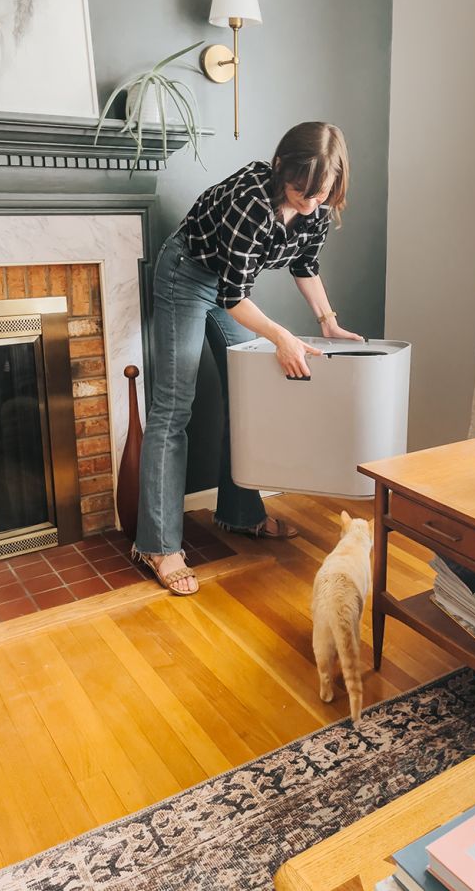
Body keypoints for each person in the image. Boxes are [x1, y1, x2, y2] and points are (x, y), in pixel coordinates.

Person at [134, 122, 361, 595]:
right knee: (174, 407)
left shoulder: (317, 208)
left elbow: (305, 266)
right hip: (186, 275)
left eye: (320, 195)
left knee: (249, 397)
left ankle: (238, 514)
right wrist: (282, 337)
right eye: (303, 192)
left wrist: (327, 321)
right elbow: (236, 296)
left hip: (226, 288)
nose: (311, 204)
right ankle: (156, 544)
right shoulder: (250, 202)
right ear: (281, 168)